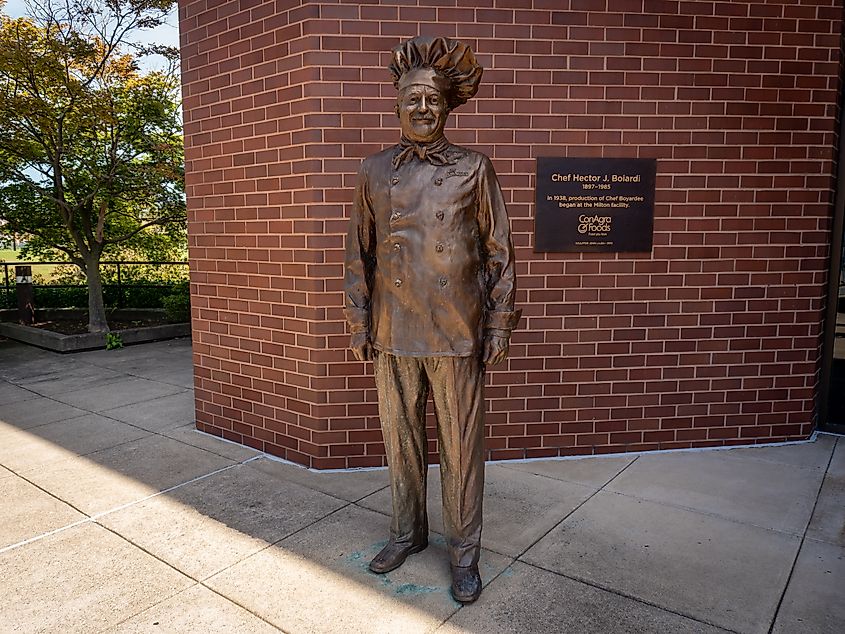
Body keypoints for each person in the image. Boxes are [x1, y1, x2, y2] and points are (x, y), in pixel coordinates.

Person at [344, 35, 520, 604]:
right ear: (396, 105)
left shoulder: (475, 168)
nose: (422, 108)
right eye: (411, 99)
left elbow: (499, 252)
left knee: (462, 448)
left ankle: (464, 554)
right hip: (394, 330)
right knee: (400, 441)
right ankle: (406, 532)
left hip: (456, 329)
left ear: (448, 106)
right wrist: (358, 322)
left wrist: (498, 324)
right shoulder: (373, 171)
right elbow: (359, 256)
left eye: (432, 100)